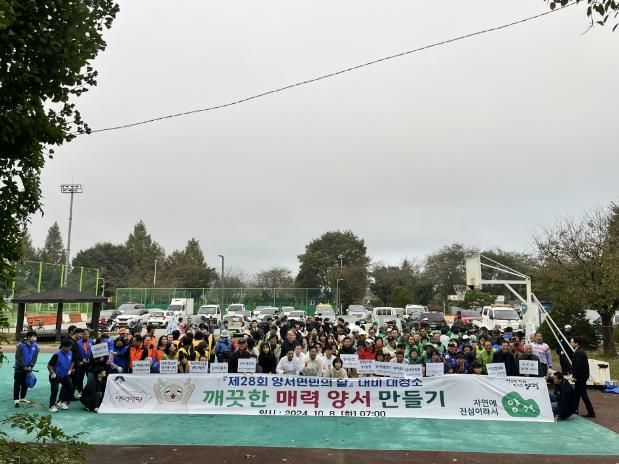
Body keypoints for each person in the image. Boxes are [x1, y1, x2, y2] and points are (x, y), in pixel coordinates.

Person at [47, 340, 75, 413]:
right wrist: (52, 373)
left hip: (64, 375)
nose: (70, 348)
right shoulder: (57, 355)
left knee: (70, 387)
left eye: (70, 347)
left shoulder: (71, 353)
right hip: (55, 376)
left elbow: (72, 361)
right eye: (68, 347)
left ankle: (62, 402)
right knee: (55, 390)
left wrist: (70, 369)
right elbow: (49, 365)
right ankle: (51, 406)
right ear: (63, 347)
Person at [570, 337, 595, 418]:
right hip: (581, 377)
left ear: (576, 343)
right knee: (577, 394)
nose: (570, 343)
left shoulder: (579, 353)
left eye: (572, 342)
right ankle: (575, 409)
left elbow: (579, 366)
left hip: (580, 377)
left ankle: (591, 412)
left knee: (583, 394)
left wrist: (576, 377)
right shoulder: (579, 351)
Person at [13, 330, 39, 407]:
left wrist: (31, 366)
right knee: (17, 384)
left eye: (35, 336)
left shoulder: (36, 346)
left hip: (28, 368)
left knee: (25, 383)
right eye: (33, 336)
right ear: (28, 337)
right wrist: (23, 366)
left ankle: (22, 398)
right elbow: (18, 357)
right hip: (19, 368)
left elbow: (34, 358)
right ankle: (16, 400)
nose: (35, 338)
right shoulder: (20, 345)